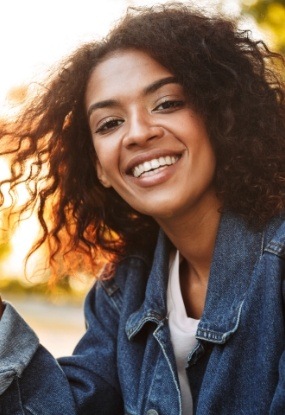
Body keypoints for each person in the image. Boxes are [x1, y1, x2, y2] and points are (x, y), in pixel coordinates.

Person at [0, 2, 285, 414]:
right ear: (98, 166)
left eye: (167, 103)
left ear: (218, 115)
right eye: (110, 123)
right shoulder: (121, 290)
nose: (137, 133)